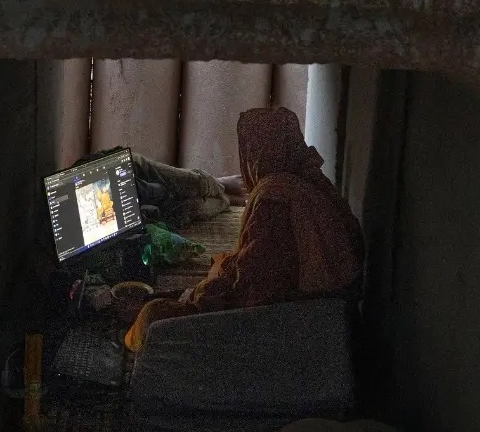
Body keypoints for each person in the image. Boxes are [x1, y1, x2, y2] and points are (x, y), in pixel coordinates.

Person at [124, 106, 364, 352]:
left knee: (151, 315)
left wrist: (198, 296)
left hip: (295, 324)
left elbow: (253, 289)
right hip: (324, 315)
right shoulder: (312, 181)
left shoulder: (275, 201)